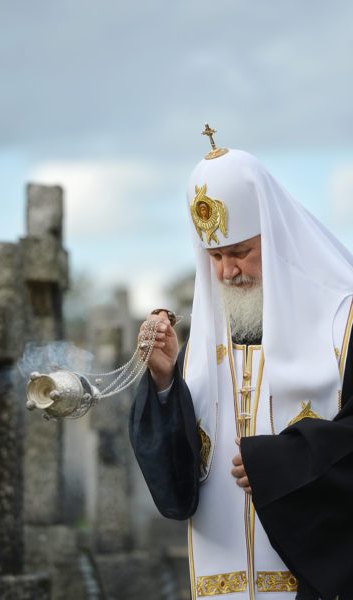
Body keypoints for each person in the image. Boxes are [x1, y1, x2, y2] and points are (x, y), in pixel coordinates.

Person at [129, 135, 353, 600]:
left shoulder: (343, 327)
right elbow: (176, 483)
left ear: (275, 239)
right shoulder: (199, 350)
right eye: (215, 257)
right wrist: (166, 381)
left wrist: (281, 463)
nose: (228, 272)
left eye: (240, 252)